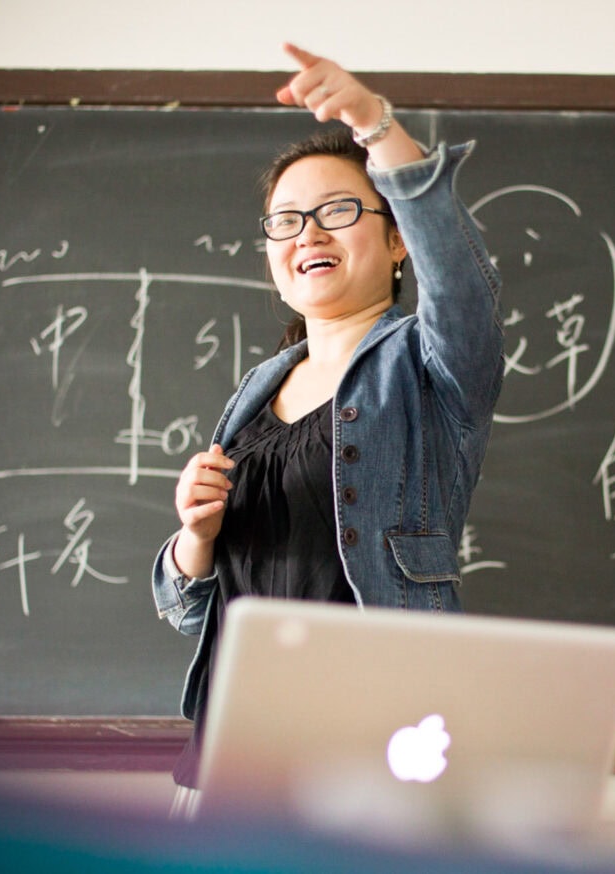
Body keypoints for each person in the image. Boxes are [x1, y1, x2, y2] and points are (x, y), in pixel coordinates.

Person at [151, 44, 504, 813]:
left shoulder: (431, 366)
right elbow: (189, 608)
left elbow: (461, 278)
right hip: (226, 761)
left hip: (368, 759)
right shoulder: (256, 391)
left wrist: (375, 125)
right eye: (286, 220)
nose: (308, 233)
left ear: (397, 237)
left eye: (338, 211)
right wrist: (194, 539)